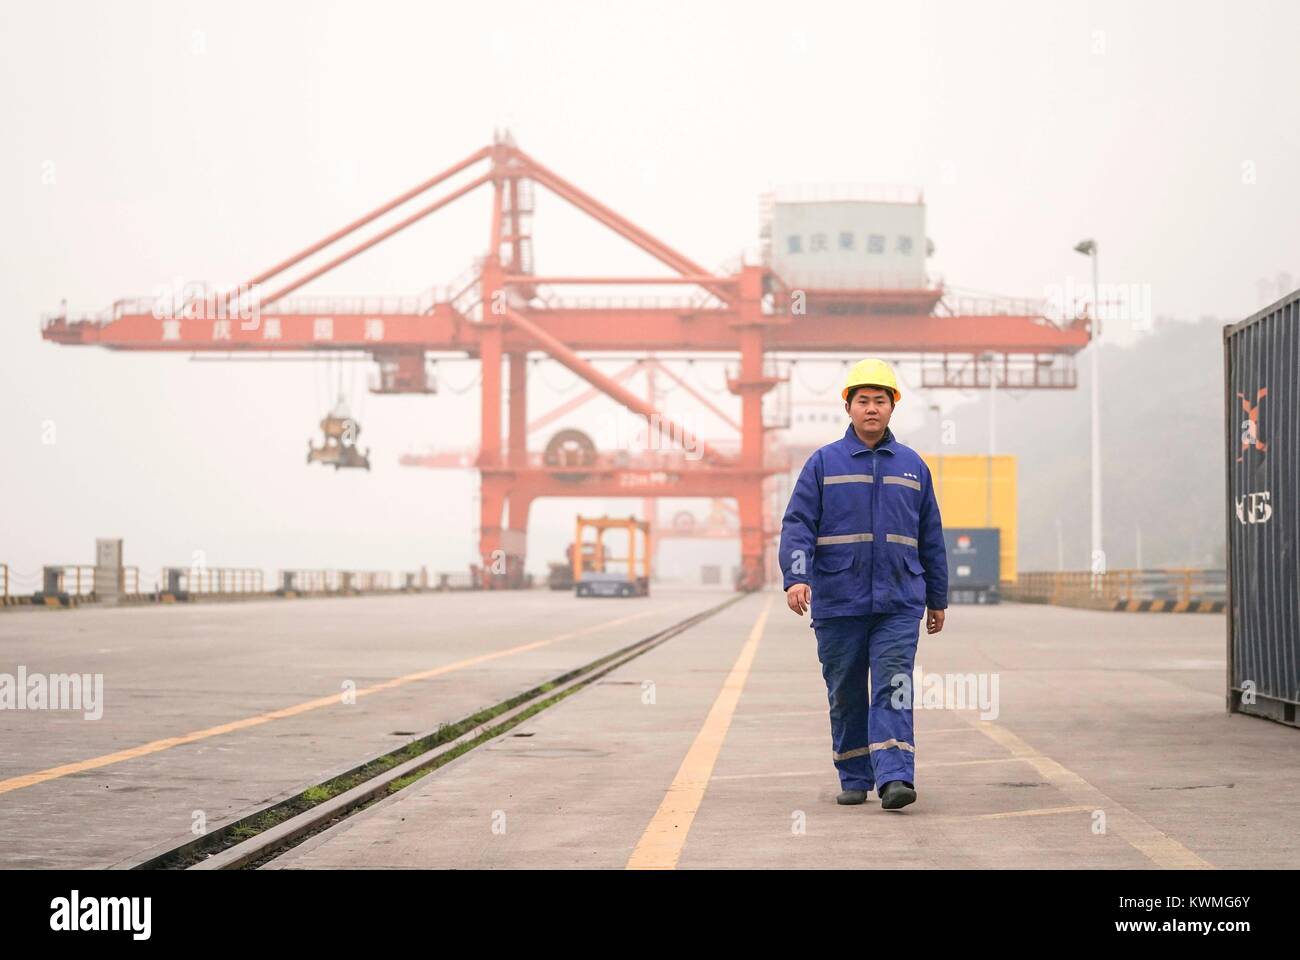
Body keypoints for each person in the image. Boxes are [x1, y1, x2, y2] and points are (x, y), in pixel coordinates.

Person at [778, 358, 948, 811]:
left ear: (893, 407)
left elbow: (930, 534)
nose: (871, 409)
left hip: (898, 600)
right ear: (848, 408)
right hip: (838, 600)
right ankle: (854, 773)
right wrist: (796, 576)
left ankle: (895, 778)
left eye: (880, 401)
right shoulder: (822, 464)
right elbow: (797, 524)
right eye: (862, 401)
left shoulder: (913, 467)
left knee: (893, 684)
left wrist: (938, 597)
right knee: (846, 690)